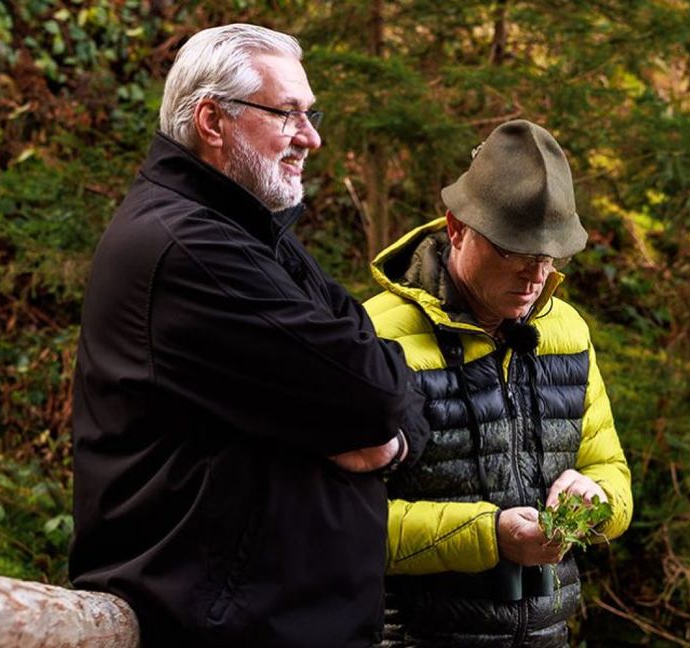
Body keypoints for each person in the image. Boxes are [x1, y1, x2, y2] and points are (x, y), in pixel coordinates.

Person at [69, 24, 427, 648]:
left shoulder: (248, 233)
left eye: (309, 114)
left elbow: (390, 385)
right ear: (212, 121)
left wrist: (387, 445)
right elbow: (376, 391)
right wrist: (380, 420)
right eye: (287, 113)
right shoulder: (190, 249)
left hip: (274, 620)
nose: (310, 137)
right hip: (220, 624)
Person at [362, 119, 633, 647]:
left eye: (547, 255)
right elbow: (343, 522)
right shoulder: (378, 337)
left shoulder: (568, 332)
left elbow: (613, 475)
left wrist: (596, 501)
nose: (534, 275)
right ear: (457, 228)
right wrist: (490, 536)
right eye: (512, 251)